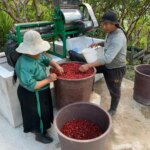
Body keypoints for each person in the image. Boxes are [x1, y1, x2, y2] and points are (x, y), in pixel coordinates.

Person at [69, 10, 127, 116]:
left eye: (106, 24)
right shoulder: (111, 32)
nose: (103, 27)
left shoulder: (118, 38)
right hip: (107, 64)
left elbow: (107, 59)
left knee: (114, 90)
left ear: (114, 24)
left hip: (116, 68)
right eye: (103, 24)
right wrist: (99, 43)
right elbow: (108, 43)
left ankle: (113, 109)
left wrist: (88, 65)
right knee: (90, 72)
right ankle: (88, 91)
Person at [15, 30, 64, 144]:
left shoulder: (37, 55)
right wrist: (48, 79)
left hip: (42, 89)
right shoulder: (25, 64)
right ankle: (39, 134)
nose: (40, 52)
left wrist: (57, 65)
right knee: (37, 114)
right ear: (28, 51)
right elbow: (33, 85)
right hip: (32, 94)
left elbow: (47, 59)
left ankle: (43, 128)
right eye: (37, 50)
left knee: (44, 110)